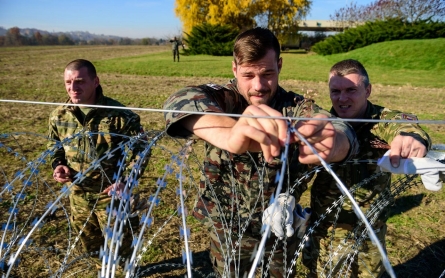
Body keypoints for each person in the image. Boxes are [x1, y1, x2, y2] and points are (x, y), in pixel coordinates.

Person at [163, 27, 358, 278]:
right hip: (227, 225)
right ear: (234, 69)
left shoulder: (295, 107)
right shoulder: (224, 100)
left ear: (279, 64)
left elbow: (337, 127)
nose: (258, 86)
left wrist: (337, 142)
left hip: (280, 225)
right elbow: (178, 101)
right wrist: (231, 135)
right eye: (248, 75)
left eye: (267, 73)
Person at [302, 59, 432, 277]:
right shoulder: (324, 124)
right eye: (335, 91)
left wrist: (411, 138)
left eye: (351, 90)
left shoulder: (381, 119)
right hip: (325, 230)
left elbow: (406, 127)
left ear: (368, 90)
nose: (342, 98)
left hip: (369, 232)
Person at [47, 59, 148, 268]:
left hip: (110, 194)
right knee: (90, 246)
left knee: (120, 248)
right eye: (68, 82)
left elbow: (141, 150)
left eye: (80, 81)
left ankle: (126, 271)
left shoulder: (119, 115)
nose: (73, 88)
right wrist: (58, 165)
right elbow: (54, 145)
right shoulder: (59, 115)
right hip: (78, 193)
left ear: (95, 82)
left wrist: (126, 181)